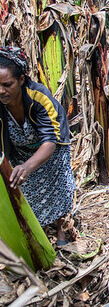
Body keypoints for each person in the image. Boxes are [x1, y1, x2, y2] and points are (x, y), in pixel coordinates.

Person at [0, 46, 76, 246]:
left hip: (51, 146)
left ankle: (63, 231)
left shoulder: (39, 97)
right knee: (25, 188)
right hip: (18, 147)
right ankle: (37, 231)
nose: (1, 90)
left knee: (57, 183)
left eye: (7, 84)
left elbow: (50, 142)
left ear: (21, 80)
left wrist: (27, 166)